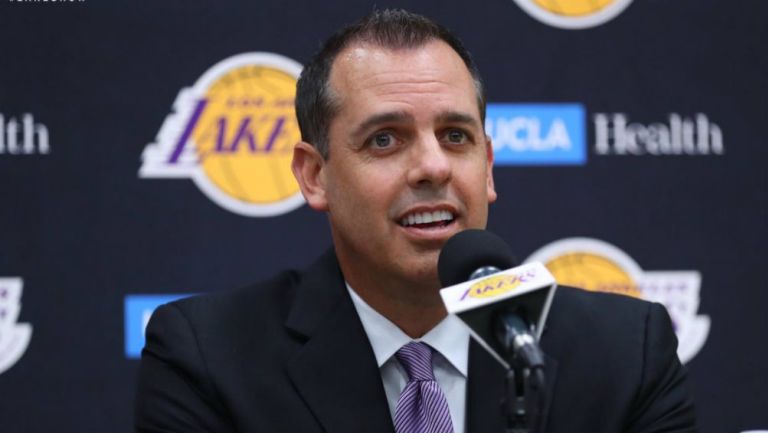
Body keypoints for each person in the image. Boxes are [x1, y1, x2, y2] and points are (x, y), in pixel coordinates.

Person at [135, 9, 696, 433]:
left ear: (488, 166)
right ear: (313, 175)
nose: (432, 166)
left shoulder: (624, 353)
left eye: (456, 136)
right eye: (385, 139)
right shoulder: (207, 358)